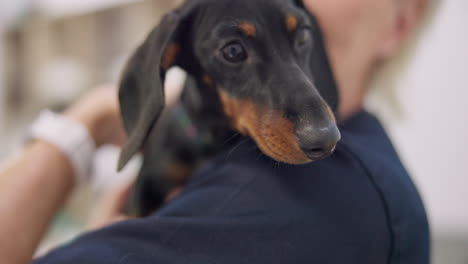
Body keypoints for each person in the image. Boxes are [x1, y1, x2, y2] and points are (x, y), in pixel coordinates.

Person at [0, 0, 432, 263]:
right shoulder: (370, 153)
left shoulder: (304, 199)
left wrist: (81, 127)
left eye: (297, 36)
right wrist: (95, 118)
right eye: (233, 51)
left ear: (401, 20)